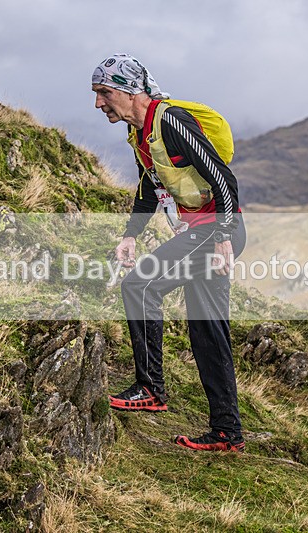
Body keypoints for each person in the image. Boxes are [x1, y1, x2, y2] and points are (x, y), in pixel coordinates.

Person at [91, 53, 246, 452]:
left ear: (130, 91)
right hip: (207, 231)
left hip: (215, 230)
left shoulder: (170, 120)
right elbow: (148, 186)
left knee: (140, 285)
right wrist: (130, 235)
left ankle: (150, 388)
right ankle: (227, 433)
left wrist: (224, 235)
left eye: (104, 92)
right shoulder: (138, 135)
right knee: (208, 330)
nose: (98, 103)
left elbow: (220, 175)